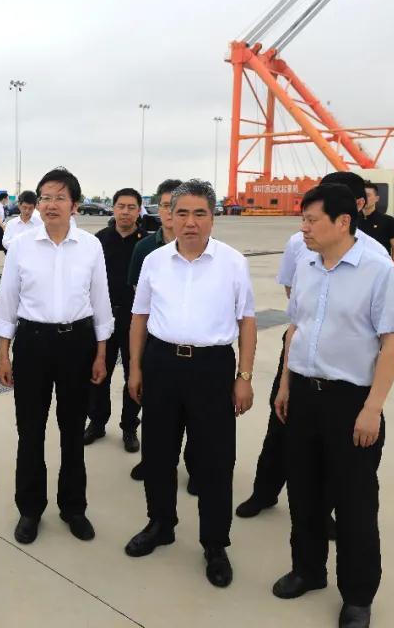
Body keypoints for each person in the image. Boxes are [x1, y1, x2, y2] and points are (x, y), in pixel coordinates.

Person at [270, 183, 394, 628]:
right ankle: (308, 570)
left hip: (351, 401)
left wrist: (373, 408)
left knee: (354, 502)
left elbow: (392, 344)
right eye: (302, 220)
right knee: (303, 491)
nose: (304, 229)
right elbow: (296, 329)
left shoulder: (379, 271)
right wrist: (285, 385)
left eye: (312, 220)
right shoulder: (307, 266)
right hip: (303, 394)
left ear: (343, 222)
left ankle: (358, 596)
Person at [123, 179, 256, 589]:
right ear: (170, 216)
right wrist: (135, 370)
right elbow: (139, 317)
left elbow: (247, 321)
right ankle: (160, 524)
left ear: (213, 218)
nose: (190, 222)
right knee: (158, 453)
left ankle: (215, 544)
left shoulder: (232, 262)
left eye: (200, 213)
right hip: (162, 364)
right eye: (182, 213)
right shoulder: (154, 261)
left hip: (212, 368)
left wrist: (244, 377)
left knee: (216, 461)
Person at [236, 171, 387, 526]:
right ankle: (265, 491)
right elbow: (294, 293)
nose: (306, 225)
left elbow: (387, 336)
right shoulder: (299, 243)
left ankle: (324, 510)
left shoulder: (375, 256)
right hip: (301, 348)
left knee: (337, 445)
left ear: (355, 206)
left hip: (344, 369)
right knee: (281, 424)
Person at [0, 168, 112, 546]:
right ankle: (30, 509)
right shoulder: (21, 246)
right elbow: (7, 301)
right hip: (33, 343)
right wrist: (4, 353)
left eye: (60, 197)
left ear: (75, 205)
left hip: (77, 343)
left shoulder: (90, 246)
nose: (51, 204)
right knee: (30, 430)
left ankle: (73, 507)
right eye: (45, 197)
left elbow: (101, 303)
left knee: (72, 429)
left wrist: (101, 353)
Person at [127, 179, 195, 489]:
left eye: (176, 206)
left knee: (194, 415)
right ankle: (152, 461)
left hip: (194, 344)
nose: (170, 212)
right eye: (166, 206)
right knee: (156, 411)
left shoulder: (205, 248)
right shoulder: (145, 249)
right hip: (157, 341)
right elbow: (138, 301)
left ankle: (195, 466)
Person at [83, 188, 146, 452]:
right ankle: (97, 422)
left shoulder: (146, 244)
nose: (125, 212)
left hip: (135, 321)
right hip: (103, 318)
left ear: (139, 211)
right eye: (121, 206)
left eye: (131, 207)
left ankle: (129, 426)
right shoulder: (98, 241)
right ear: (113, 208)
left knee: (135, 373)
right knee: (99, 373)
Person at [359, 181, 394, 266]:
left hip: (381, 267)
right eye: (362, 195)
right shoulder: (353, 220)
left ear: (377, 198)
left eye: (368, 195)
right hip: (359, 267)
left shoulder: (388, 220)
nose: (364, 198)